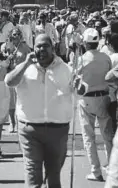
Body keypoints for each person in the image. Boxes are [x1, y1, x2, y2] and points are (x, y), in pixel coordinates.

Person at [5, 34, 73, 188]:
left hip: (58, 129)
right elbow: (9, 81)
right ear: (33, 48)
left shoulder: (65, 68)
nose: (41, 49)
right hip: (30, 130)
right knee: (33, 174)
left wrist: (82, 87)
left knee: (53, 176)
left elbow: (81, 88)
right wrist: (25, 64)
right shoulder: (25, 68)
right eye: (38, 46)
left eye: (45, 46)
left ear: (53, 48)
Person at [74, 28, 114, 182]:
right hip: (103, 96)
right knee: (107, 135)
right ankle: (111, 167)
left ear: (85, 42)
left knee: (88, 136)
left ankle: (96, 170)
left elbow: (74, 79)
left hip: (87, 99)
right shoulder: (105, 57)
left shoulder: (82, 59)